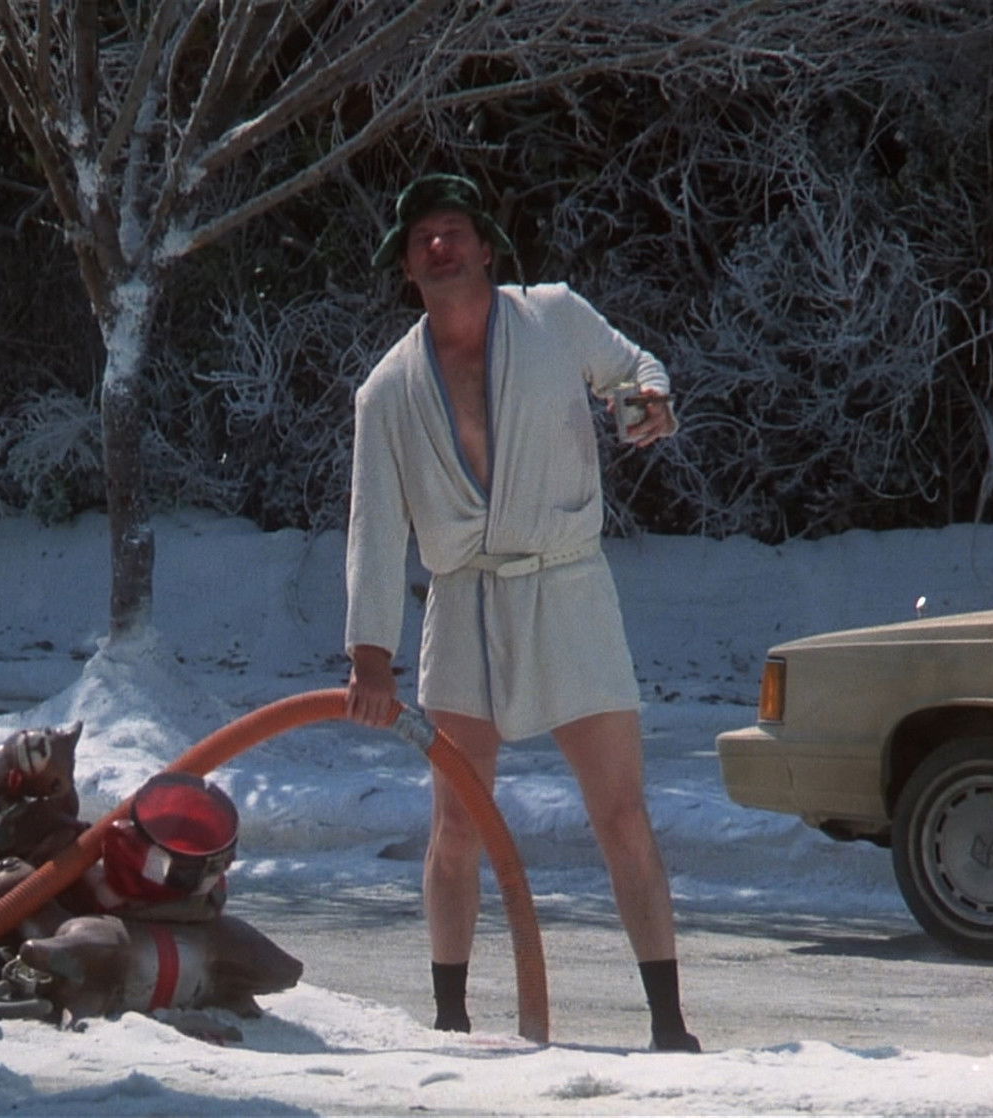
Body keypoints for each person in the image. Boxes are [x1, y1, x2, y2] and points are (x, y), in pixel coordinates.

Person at [341, 172, 699, 1053]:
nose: (439, 246)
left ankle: (669, 1023)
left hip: (569, 586)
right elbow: (375, 529)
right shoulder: (387, 392)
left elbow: (635, 370)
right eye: (422, 238)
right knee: (457, 822)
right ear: (406, 267)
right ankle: (451, 1017)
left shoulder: (554, 317)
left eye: (453, 230)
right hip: (463, 599)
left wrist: (648, 404)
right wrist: (370, 655)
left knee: (622, 812)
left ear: (487, 248)